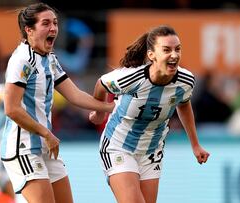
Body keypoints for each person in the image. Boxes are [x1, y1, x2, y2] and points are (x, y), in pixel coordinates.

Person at [0, 3, 113, 203]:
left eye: (55, 23)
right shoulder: (21, 60)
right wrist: (46, 133)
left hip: (46, 146)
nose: (53, 28)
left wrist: (110, 107)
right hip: (23, 149)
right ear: (29, 30)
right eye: (46, 23)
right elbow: (11, 109)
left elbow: (75, 94)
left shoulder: (49, 58)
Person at [89, 25, 210, 203]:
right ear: (151, 55)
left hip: (151, 151)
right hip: (118, 146)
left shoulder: (186, 81)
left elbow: (183, 104)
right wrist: (99, 113)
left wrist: (195, 145)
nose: (174, 55)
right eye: (167, 50)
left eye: (178, 49)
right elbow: (101, 84)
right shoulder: (130, 78)